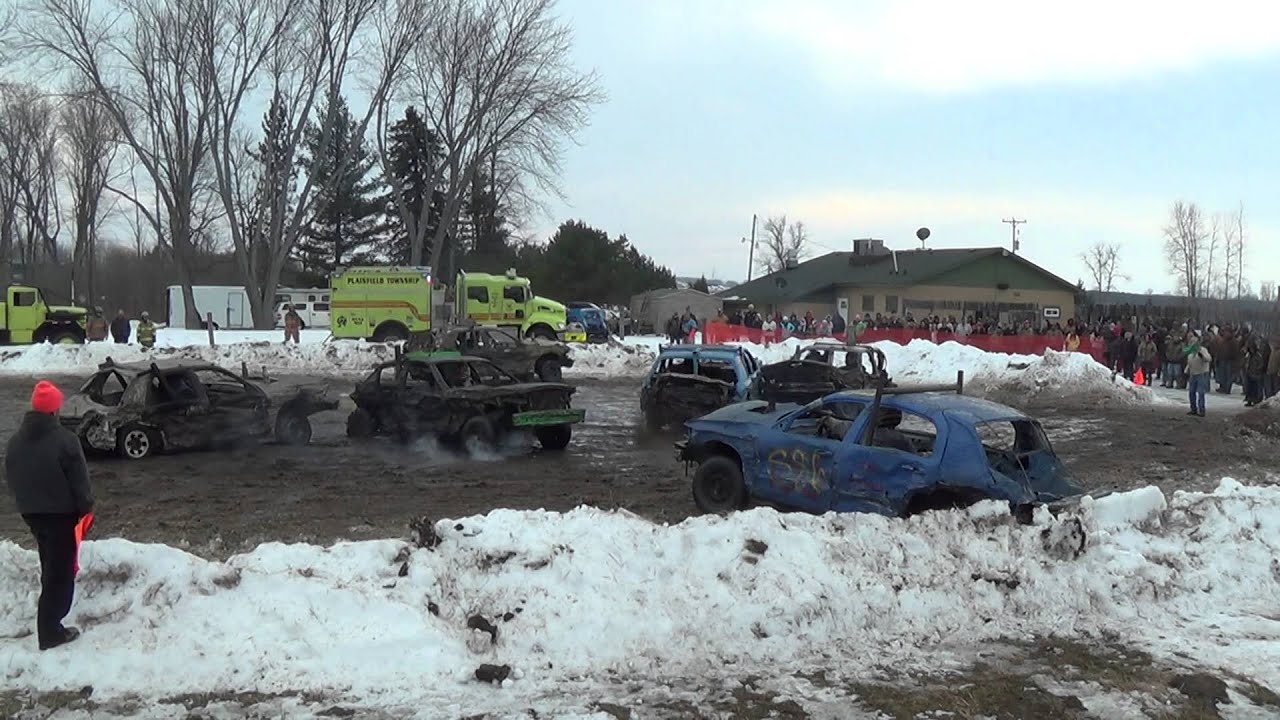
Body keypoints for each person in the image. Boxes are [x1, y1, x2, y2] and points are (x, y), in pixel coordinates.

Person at [5, 380, 94, 650]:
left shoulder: (15, 441)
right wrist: (86, 508)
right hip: (61, 515)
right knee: (61, 574)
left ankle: (50, 625)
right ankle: (51, 632)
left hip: (32, 514)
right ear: (54, 410)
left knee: (50, 565)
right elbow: (79, 481)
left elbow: (11, 478)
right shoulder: (65, 440)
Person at [1184, 331, 1211, 417]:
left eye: (1194, 342)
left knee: (1200, 392)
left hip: (1201, 373)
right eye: (1191, 342)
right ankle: (1193, 409)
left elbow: (1208, 359)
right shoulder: (1190, 353)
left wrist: (1202, 355)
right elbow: (1190, 363)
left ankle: (1201, 410)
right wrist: (1187, 370)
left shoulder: (1203, 350)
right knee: (1191, 392)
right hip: (1193, 374)